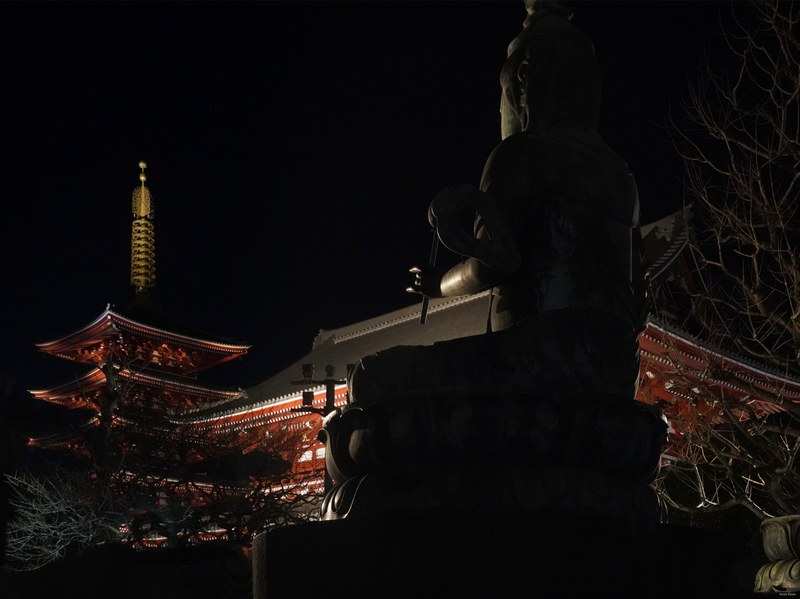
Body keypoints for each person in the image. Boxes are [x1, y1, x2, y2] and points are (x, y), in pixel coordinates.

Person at [347, 0, 648, 409]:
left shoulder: (521, 154)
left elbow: (497, 262)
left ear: (521, 83)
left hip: (534, 360)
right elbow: (636, 301)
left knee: (368, 378)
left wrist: (438, 283)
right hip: (615, 373)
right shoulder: (622, 176)